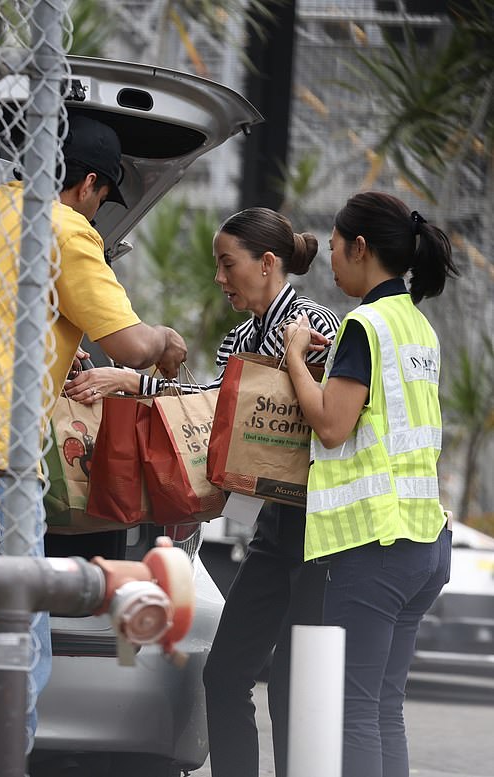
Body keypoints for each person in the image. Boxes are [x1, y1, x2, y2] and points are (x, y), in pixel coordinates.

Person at [66, 207, 341, 777]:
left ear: (267, 264)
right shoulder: (241, 337)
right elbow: (210, 406)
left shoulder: (319, 328)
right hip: (273, 528)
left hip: (322, 531)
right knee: (225, 676)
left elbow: (289, 410)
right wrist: (137, 385)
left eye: (227, 264)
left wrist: (133, 380)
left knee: (297, 685)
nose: (219, 278)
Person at [0, 114, 187, 751]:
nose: (100, 210)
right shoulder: (64, 228)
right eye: (104, 197)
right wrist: (166, 339)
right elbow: (132, 344)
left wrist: (63, 347)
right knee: (18, 637)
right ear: (87, 184)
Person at [283, 191, 458, 777]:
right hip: (425, 544)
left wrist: (293, 356)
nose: (330, 261)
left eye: (333, 248)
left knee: (354, 711)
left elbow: (332, 425)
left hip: (375, 549)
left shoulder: (365, 324)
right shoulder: (417, 325)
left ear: (360, 248)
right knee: (384, 709)